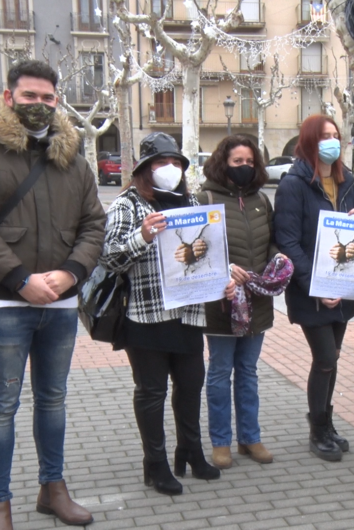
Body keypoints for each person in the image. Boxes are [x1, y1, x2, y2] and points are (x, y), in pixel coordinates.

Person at [0, 59, 104, 528]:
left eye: (46, 98)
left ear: (56, 100)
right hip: (6, 305)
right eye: (29, 97)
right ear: (9, 98)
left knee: (53, 400)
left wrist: (70, 274)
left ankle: (52, 489)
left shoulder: (75, 161)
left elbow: (93, 225)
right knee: (3, 408)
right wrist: (20, 278)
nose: (39, 105)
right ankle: (1, 501)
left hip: (61, 307)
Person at [101, 132, 234, 496]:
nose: (170, 170)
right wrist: (142, 236)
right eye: (162, 163)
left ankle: (189, 452)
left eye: (175, 163)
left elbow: (208, 251)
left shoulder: (190, 201)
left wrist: (224, 277)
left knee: (191, 386)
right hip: (145, 317)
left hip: (188, 312)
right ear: (146, 169)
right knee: (152, 391)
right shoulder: (127, 204)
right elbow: (110, 257)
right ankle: (155, 464)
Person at [273, 115, 354, 462]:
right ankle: (318, 429)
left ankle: (326, 422)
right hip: (311, 288)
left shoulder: (347, 179)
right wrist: (314, 284)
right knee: (324, 357)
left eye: (336, 136)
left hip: (342, 285)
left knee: (333, 359)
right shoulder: (292, 185)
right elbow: (288, 242)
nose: (332, 141)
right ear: (310, 140)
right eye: (325, 136)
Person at [196, 135, 279, 469]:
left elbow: (273, 241)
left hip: (257, 301)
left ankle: (250, 438)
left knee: (248, 371)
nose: (245, 167)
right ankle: (220, 442)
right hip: (221, 303)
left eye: (250, 162)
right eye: (237, 162)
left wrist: (275, 264)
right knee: (219, 373)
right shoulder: (205, 198)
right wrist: (225, 270)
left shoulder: (261, 200)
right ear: (223, 164)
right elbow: (194, 250)